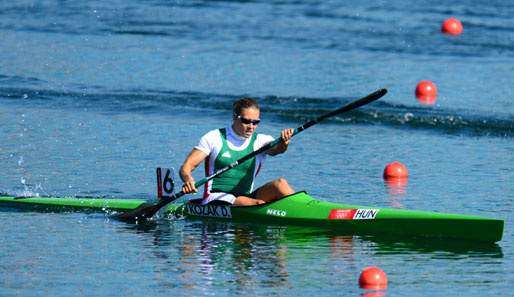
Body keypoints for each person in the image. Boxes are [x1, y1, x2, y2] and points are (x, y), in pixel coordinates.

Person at [179, 97, 295, 206]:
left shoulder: (261, 140)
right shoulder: (214, 137)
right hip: (215, 197)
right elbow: (186, 167)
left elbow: (276, 150)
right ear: (235, 117)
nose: (251, 126)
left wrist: (284, 143)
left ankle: (308, 210)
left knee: (281, 184)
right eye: (246, 121)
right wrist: (188, 180)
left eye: (255, 122)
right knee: (258, 204)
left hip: (246, 198)